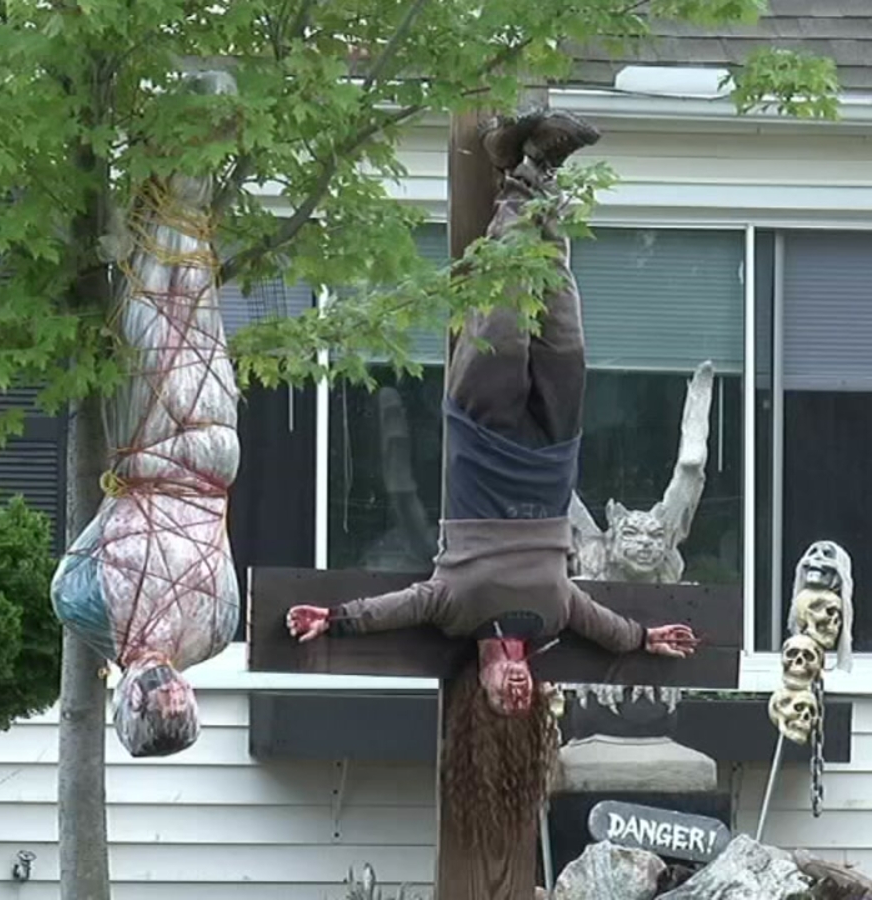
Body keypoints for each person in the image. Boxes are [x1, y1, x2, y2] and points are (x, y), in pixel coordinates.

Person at [285, 106, 698, 717]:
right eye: (524, 698)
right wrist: (646, 637)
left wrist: (335, 619)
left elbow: (399, 607)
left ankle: (521, 174)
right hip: (553, 451)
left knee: (502, 322)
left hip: (482, 440)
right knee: (565, 334)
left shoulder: (454, 610)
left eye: (504, 700)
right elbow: (607, 627)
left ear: (482, 685)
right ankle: (542, 175)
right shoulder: (557, 612)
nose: (518, 693)